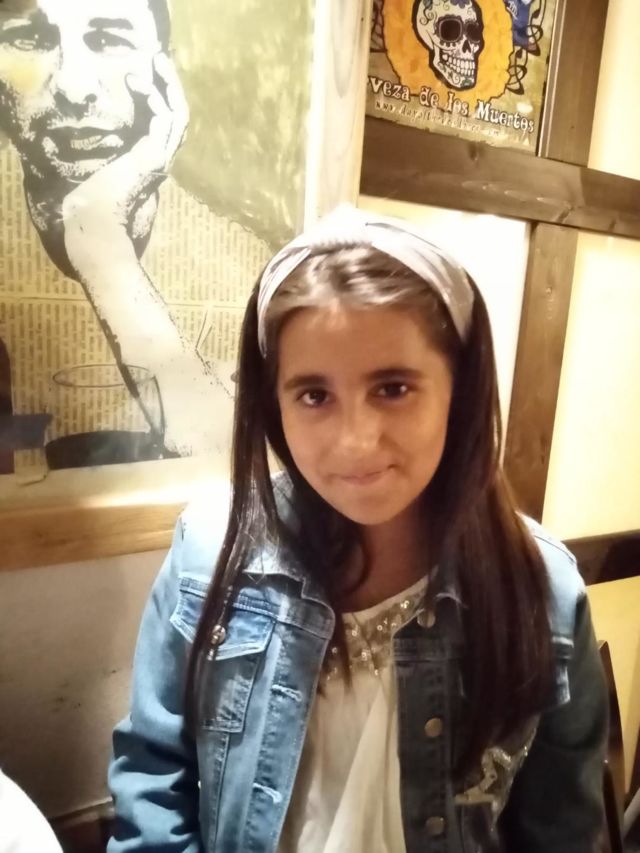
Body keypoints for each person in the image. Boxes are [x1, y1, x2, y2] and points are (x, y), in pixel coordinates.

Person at [107, 205, 608, 852]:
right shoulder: (209, 551)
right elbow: (153, 773)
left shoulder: (541, 591)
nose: (355, 442)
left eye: (393, 388)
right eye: (314, 395)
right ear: (274, 403)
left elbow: (561, 828)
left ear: (458, 390)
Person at [0, 0, 268, 466]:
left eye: (109, 40)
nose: (74, 88)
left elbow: (225, 464)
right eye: (30, 40)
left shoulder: (240, 261)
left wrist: (98, 238)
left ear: (164, 74)